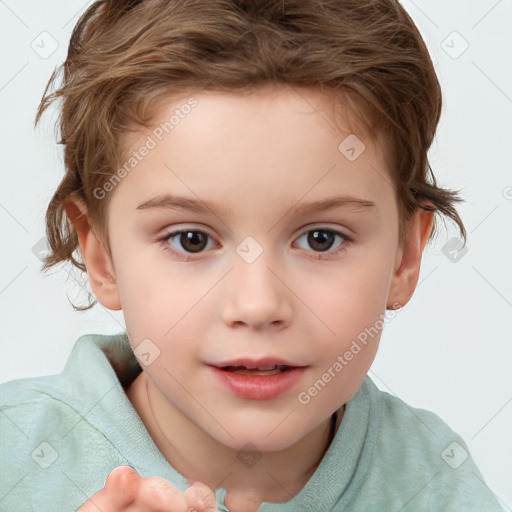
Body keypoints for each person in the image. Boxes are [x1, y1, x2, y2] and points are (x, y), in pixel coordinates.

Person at [0, 0, 504, 511]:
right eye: (191, 240)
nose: (258, 305)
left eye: (321, 239)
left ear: (405, 257)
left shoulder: (437, 484)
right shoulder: (13, 454)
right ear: (102, 256)